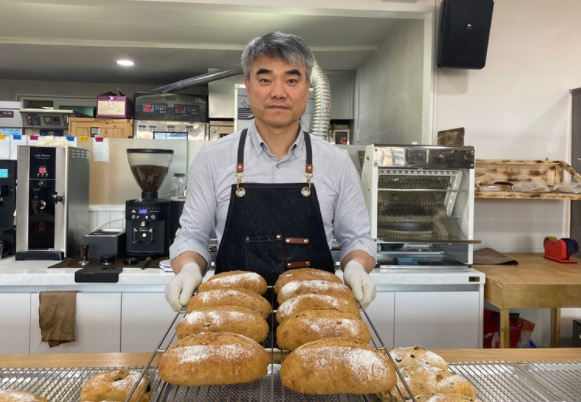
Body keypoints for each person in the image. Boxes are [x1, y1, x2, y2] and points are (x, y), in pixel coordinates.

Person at [164, 31, 377, 312]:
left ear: (307, 89)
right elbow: (192, 236)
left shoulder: (336, 162)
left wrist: (356, 268)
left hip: (317, 316)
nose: (278, 92)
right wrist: (189, 269)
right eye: (265, 80)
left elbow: (356, 238)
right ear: (248, 86)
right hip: (229, 317)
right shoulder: (213, 159)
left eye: (291, 80)